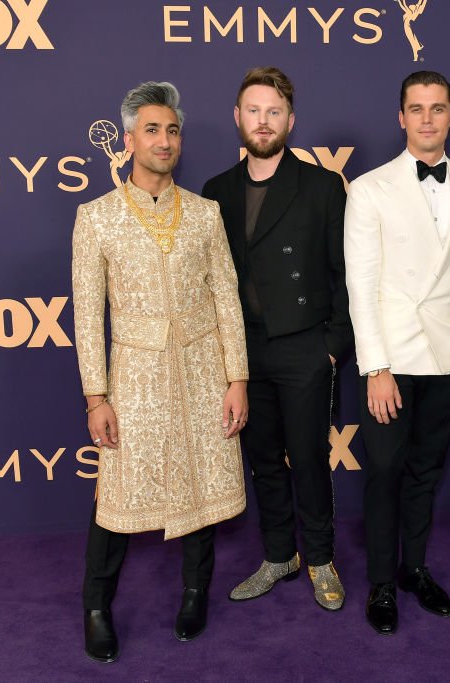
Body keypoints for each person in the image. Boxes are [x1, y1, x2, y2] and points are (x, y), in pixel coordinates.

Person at [73, 81, 249, 663]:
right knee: (117, 495)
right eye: (152, 129)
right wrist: (96, 396)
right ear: (128, 141)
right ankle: (97, 606)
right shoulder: (95, 218)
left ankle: (195, 593)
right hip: (135, 377)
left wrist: (237, 379)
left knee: (201, 486)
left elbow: (227, 297)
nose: (165, 140)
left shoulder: (205, 214)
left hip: (203, 372)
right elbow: (87, 314)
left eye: (172, 130)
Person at [345, 71, 450, 635]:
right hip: (394, 359)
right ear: (400, 117)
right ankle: (382, 581)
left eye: (437, 109)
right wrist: (376, 368)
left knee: (427, 470)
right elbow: (363, 285)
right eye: (416, 108)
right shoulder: (369, 188)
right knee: (384, 471)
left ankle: (415, 568)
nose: (427, 119)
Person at [202, 67, 352, 611]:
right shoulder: (215, 192)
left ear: (290, 120)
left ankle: (319, 558)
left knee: (309, 458)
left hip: (304, 344)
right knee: (262, 458)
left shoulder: (320, 185)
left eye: (273, 112)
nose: (262, 121)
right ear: (237, 118)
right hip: (244, 352)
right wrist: (224, 357)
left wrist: (332, 345)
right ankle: (277, 555)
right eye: (253, 110)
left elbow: (344, 273)